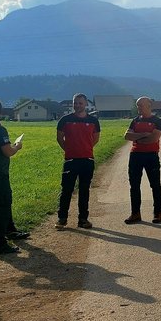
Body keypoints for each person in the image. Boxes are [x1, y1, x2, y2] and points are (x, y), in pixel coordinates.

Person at [56, 93, 101, 229]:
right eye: (75, 103)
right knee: (66, 190)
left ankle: (83, 220)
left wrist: (85, 148)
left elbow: (96, 139)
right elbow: (59, 138)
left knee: (84, 190)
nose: (77, 105)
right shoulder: (65, 120)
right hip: (70, 160)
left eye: (80, 103)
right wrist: (69, 150)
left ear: (86, 104)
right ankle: (62, 219)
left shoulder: (94, 121)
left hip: (87, 160)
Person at [123, 96, 161, 224]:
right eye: (137, 105)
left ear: (149, 106)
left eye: (141, 105)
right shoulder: (134, 121)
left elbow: (153, 139)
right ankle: (135, 213)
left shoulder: (157, 121)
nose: (138, 107)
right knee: (134, 185)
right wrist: (143, 135)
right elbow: (126, 136)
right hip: (135, 156)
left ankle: (157, 213)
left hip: (151, 155)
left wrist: (136, 138)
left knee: (155, 185)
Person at [0, 98, 23, 255]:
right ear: (0, 112)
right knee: (3, 206)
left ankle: (7, 231)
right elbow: (7, 151)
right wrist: (17, 147)